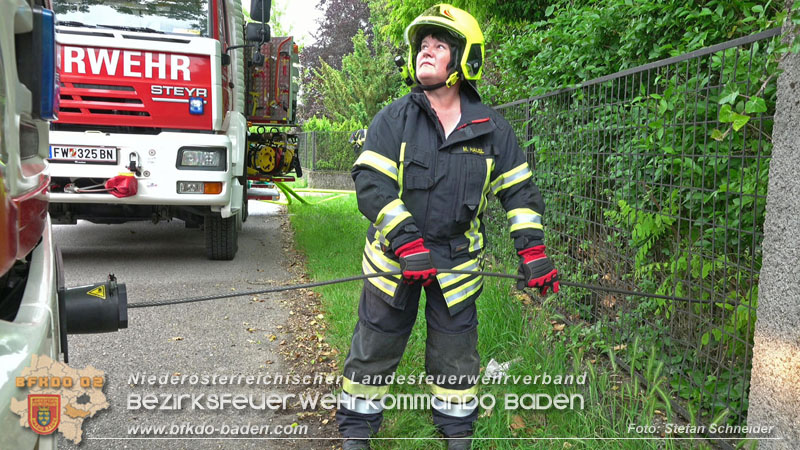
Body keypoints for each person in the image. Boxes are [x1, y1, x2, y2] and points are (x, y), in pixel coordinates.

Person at [336, 4, 559, 449]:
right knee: (375, 348)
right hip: (394, 259)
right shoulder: (394, 118)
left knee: (456, 358)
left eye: (439, 46)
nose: (426, 51)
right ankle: (356, 434)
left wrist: (532, 251)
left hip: (457, 263)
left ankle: (456, 435)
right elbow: (372, 184)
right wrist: (405, 240)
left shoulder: (493, 130)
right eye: (423, 45)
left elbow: (519, 195)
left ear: (465, 59)